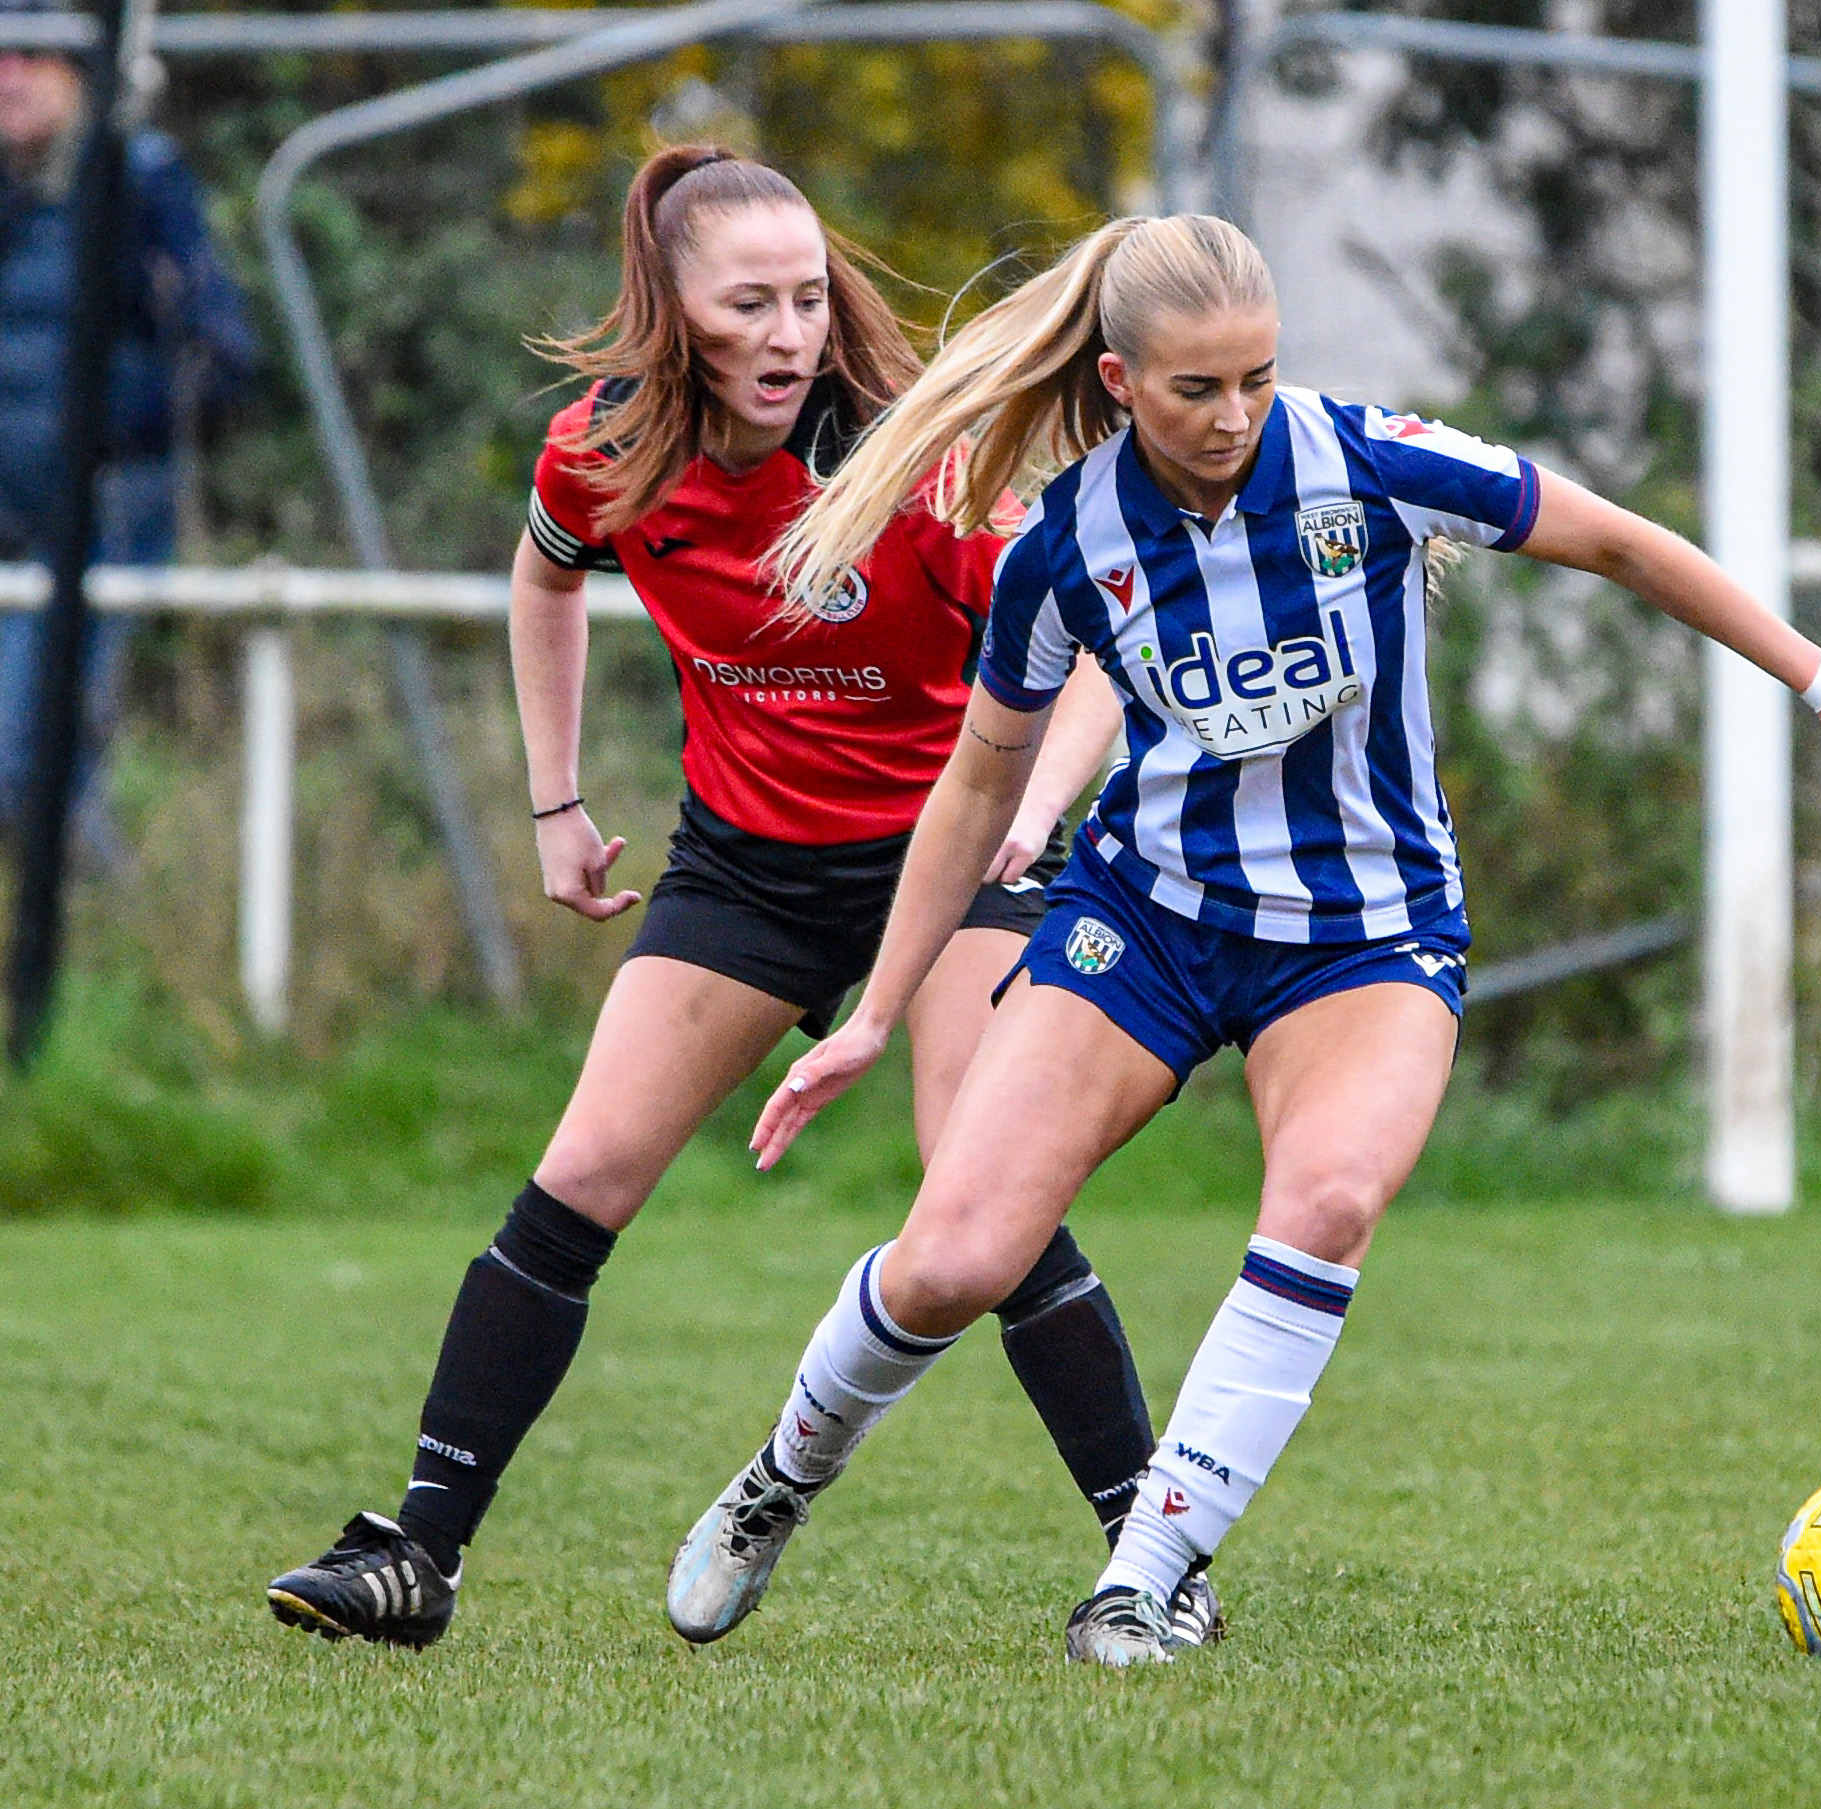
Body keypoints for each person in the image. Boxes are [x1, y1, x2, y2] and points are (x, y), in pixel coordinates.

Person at [669, 213, 1821, 1664]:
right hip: (1144, 919)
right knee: (954, 1258)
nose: (1234, 418)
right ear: (1116, 382)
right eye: (1196, 390)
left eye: (1257, 380)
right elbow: (979, 777)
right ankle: (779, 1480)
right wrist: (875, 1011)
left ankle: (1142, 1578)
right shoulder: (1065, 543)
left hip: (1366, 932)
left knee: (1329, 1200)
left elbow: (1621, 542)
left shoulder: (1374, 462)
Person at [265, 149, 1220, 1652]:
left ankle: (1155, 1559)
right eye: (750, 304)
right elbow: (544, 580)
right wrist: (558, 802)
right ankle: (418, 1554)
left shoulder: (921, 465)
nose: (790, 333)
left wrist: (1038, 807)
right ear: (673, 314)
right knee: (580, 1176)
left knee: (984, 1194)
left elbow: (1093, 648)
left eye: (809, 299)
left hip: (957, 868)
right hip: (746, 869)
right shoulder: (611, 450)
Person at [0, 4, 254, 840]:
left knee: (30, 743)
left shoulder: (135, 181)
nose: (12, 77)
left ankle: (87, 927)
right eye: (0, 57)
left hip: (102, 510)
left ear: (83, 75)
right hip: (11, 508)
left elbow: (220, 358)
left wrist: (106, 435)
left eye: (35, 56)